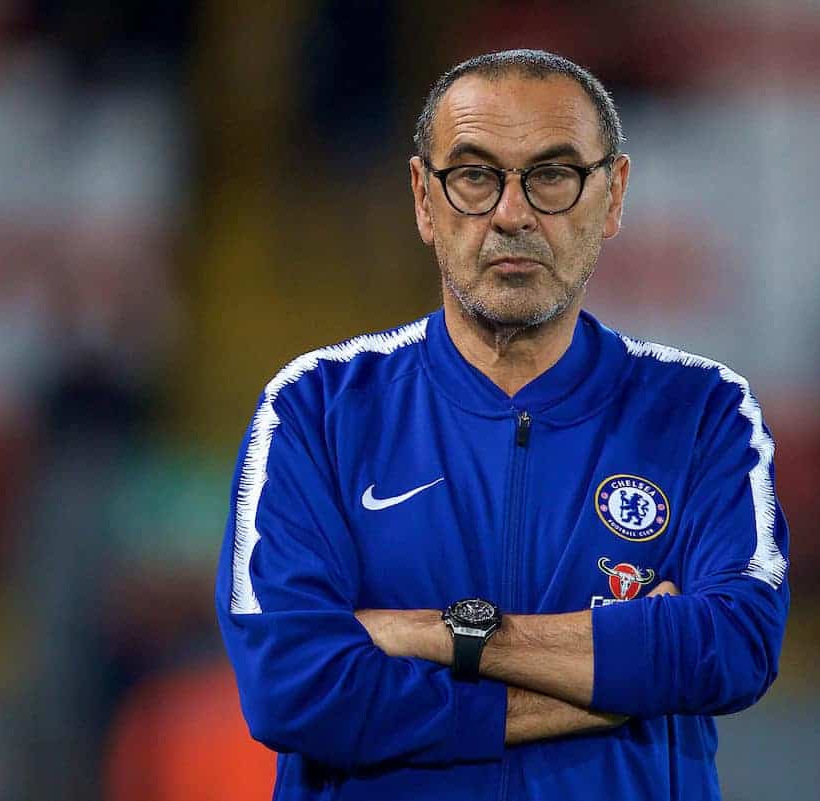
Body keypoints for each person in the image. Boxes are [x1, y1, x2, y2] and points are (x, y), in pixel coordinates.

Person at [216, 49, 790, 801]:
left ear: (613, 195)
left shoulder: (704, 412)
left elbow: (734, 644)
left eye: (552, 175)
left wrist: (440, 634)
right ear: (424, 198)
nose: (512, 214)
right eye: (476, 176)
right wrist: (614, 678)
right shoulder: (315, 409)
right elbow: (292, 684)